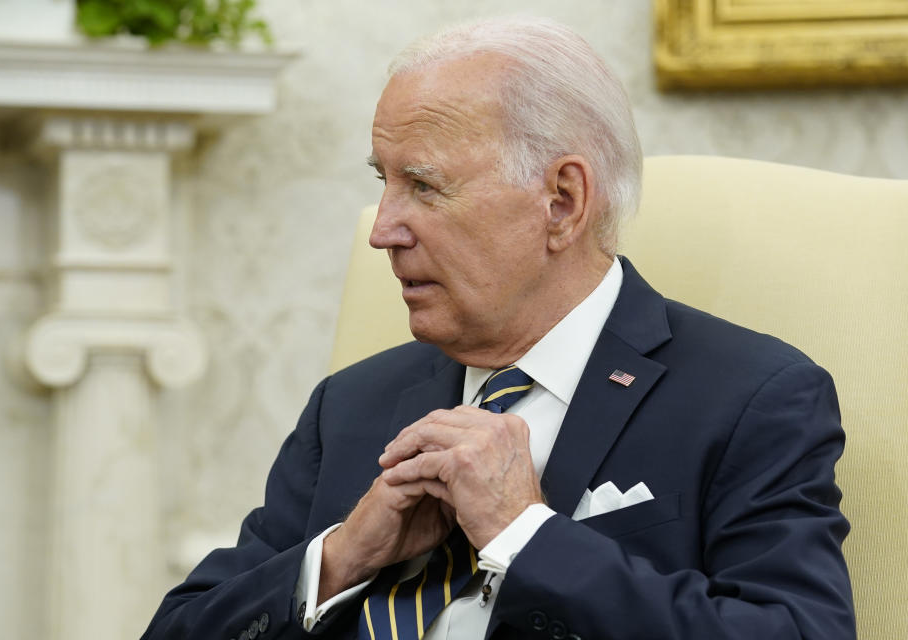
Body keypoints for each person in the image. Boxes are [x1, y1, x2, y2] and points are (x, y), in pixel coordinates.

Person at [142, 16, 855, 640]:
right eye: (382, 183)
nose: (384, 230)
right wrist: (340, 558)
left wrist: (526, 536)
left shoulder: (751, 398)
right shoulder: (350, 405)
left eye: (423, 186)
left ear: (562, 201)